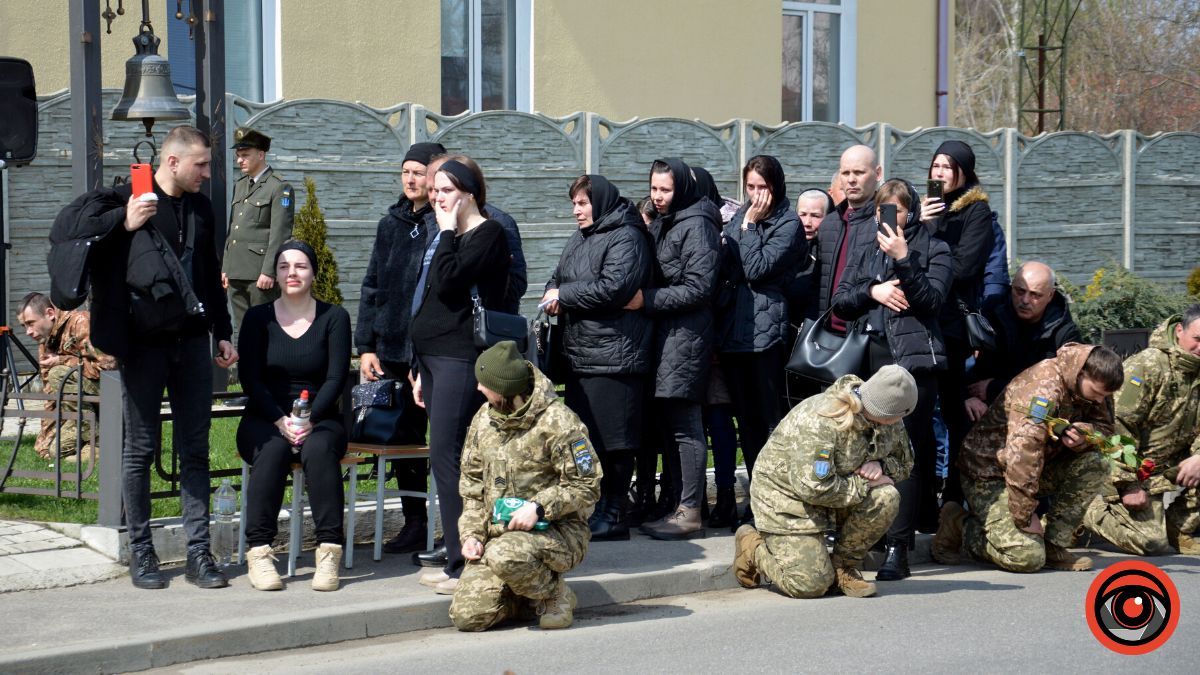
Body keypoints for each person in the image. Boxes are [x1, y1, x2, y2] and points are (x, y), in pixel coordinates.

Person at [53, 125, 237, 589]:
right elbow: (73, 237)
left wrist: (223, 332)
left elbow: (208, 269)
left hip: (193, 341)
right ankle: (142, 551)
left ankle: (198, 553)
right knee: (140, 450)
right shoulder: (128, 199)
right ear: (172, 162)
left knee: (195, 449)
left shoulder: (201, 207)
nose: (206, 173)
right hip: (143, 345)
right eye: (200, 164)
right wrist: (125, 222)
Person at [832, 179, 952, 580]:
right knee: (866, 453)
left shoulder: (934, 247)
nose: (889, 218)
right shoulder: (867, 249)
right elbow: (843, 302)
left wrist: (904, 259)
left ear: (911, 212)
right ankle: (871, 535)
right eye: (883, 209)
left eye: (897, 210)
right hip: (873, 362)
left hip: (914, 366)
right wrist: (874, 291)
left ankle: (899, 548)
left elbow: (932, 300)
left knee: (907, 456)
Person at [449, 341, 602, 631]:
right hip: (497, 536)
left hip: (559, 532)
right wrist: (472, 535)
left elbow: (587, 485)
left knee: (505, 555)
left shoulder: (559, 422)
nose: (479, 389)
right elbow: (471, 487)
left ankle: (554, 594)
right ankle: (522, 592)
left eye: (485, 384)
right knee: (468, 616)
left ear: (506, 390)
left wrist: (539, 507)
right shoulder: (484, 418)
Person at [410, 158, 511, 593]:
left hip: (457, 357)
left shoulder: (488, 234)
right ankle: (459, 553)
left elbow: (450, 283)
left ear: (468, 193)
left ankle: (464, 563)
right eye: (434, 191)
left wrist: (448, 229)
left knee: (448, 457)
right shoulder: (447, 235)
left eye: (445, 190)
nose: (436, 197)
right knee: (446, 457)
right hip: (431, 358)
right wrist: (417, 367)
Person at [934, 344, 1123, 572]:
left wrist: (1085, 434)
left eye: (1105, 396)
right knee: (1026, 557)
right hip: (989, 473)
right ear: (1082, 373)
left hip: (1035, 470)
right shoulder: (1043, 387)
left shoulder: (1095, 389)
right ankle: (959, 525)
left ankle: (1055, 545)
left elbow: (1106, 430)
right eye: (1096, 393)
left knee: (1096, 463)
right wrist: (1024, 514)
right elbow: (1023, 452)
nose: (1100, 401)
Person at [733, 366, 915, 599]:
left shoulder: (889, 416)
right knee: (810, 585)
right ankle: (752, 546)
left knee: (886, 497)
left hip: (838, 493)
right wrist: (865, 484)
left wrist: (881, 466)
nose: (899, 422)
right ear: (881, 409)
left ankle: (843, 568)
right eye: (895, 417)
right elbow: (812, 487)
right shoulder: (822, 419)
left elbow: (906, 463)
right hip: (788, 501)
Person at [541, 174, 653, 541]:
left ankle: (616, 512)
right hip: (579, 355)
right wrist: (552, 296)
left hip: (615, 355)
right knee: (587, 440)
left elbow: (615, 288)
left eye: (583, 203)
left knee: (615, 441)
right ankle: (596, 505)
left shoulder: (627, 236)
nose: (576, 210)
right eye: (574, 204)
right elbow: (556, 279)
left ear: (600, 202)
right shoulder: (580, 239)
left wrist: (566, 295)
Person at [237, 240, 351, 591]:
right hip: (265, 416)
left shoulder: (335, 317)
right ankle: (258, 553)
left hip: (321, 417)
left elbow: (336, 377)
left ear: (313, 272)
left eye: (300, 266)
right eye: (284, 266)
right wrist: (279, 420)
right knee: (272, 450)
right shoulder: (257, 318)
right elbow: (250, 378)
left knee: (318, 451)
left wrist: (309, 419)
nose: (292, 273)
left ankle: (329, 553)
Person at [356, 141, 446, 555]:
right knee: (401, 442)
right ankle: (414, 522)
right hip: (390, 351)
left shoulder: (441, 223)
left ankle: (458, 527)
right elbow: (373, 285)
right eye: (406, 172)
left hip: (428, 352)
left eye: (419, 172)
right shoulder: (390, 224)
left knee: (442, 441)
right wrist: (366, 346)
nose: (411, 179)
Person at [624, 158, 720, 540]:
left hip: (686, 336)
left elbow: (700, 287)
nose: (658, 197)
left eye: (665, 190)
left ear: (681, 188)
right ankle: (675, 503)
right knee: (668, 427)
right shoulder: (671, 220)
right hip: (668, 335)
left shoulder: (697, 223)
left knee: (685, 426)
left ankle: (690, 509)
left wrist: (646, 300)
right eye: (653, 189)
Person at [717, 155, 806, 522]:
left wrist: (750, 228)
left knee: (769, 421)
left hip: (767, 335)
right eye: (750, 188)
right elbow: (728, 265)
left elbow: (754, 268)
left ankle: (775, 499)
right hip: (735, 331)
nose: (756, 196)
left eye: (763, 188)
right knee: (746, 423)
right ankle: (756, 496)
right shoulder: (741, 217)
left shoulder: (788, 224)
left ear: (776, 186)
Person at [1083, 307, 1200, 555]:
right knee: (1151, 543)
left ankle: (1177, 528)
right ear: (1179, 330)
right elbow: (1116, 426)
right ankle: (1083, 510)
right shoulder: (1148, 366)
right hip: (1133, 471)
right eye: (1197, 339)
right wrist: (1128, 484)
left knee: (1159, 537)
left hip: (1167, 471)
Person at [919, 140, 995, 504]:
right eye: (936, 166)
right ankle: (923, 492)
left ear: (963, 172)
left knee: (952, 410)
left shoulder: (976, 211)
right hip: (922, 320)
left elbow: (964, 267)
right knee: (919, 411)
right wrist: (920, 223)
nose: (939, 173)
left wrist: (931, 235)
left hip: (951, 325)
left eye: (948, 167)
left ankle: (954, 496)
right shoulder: (928, 210)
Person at [965, 261, 1081, 421]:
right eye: (1020, 291)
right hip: (982, 404)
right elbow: (961, 358)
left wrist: (996, 388)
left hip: (1036, 411)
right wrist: (967, 397)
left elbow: (1062, 387)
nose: (1025, 300)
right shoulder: (990, 313)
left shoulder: (1065, 333)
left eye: (1035, 295)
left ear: (1050, 295)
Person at [16, 292, 115, 463]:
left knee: (58, 373)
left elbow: (109, 364)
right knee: (55, 451)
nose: (28, 332)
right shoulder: (46, 342)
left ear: (50, 314)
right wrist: (44, 442)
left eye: (31, 323)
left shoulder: (81, 322)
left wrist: (63, 360)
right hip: (81, 406)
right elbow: (51, 396)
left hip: (111, 392)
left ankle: (99, 441)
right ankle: (90, 440)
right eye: (24, 326)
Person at [222, 127, 294, 346]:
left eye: (245, 155)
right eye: (238, 155)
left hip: (259, 273)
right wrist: (226, 266)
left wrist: (269, 270)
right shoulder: (241, 185)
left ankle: (268, 377)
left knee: (264, 330)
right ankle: (249, 377)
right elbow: (233, 229)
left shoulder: (279, 187)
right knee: (244, 331)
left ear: (261, 155)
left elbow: (280, 233)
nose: (239, 160)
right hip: (237, 270)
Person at [811, 145, 882, 333]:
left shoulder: (887, 221)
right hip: (827, 334)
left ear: (878, 173)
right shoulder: (828, 224)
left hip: (869, 335)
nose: (851, 180)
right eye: (845, 173)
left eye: (859, 172)